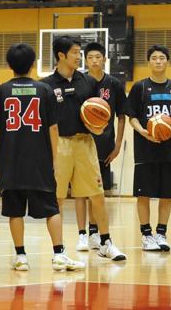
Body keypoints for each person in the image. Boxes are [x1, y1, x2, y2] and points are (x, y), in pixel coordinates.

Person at [0, 43, 84, 272]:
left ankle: (21, 257)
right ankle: (59, 255)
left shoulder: (1, 91)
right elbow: (53, 128)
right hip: (40, 161)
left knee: (14, 211)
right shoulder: (44, 90)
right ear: (33, 64)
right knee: (52, 209)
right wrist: (54, 159)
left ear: (9, 65)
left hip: (11, 161)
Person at [42, 36, 126, 261]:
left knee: (97, 195)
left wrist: (98, 126)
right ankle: (59, 251)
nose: (79, 57)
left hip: (85, 143)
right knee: (57, 199)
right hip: (59, 145)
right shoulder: (46, 85)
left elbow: (96, 113)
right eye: (75, 52)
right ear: (61, 55)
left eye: (79, 52)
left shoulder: (88, 82)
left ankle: (106, 243)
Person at [125, 44, 171, 252]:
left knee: (166, 194)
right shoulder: (139, 87)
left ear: (167, 61)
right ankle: (146, 235)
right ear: (149, 62)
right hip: (145, 149)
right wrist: (142, 131)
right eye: (154, 58)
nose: (158, 61)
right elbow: (131, 116)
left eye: (162, 58)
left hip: (168, 150)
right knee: (144, 195)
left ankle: (161, 233)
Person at [74, 42, 125, 252]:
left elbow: (121, 116)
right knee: (80, 192)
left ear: (104, 59)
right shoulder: (78, 82)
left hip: (104, 146)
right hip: (81, 143)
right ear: (85, 61)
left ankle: (94, 232)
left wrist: (118, 145)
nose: (94, 61)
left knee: (97, 192)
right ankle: (82, 235)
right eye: (90, 57)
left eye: (98, 57)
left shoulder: (114, 83)